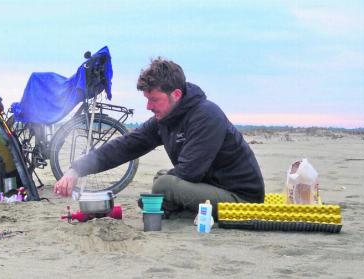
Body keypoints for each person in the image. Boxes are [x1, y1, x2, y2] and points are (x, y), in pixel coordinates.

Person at [53, 57, 264, 217]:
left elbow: (189, 173)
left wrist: (159, 193)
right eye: (147, 99)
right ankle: (172, 205)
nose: (148, 106)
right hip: (212, 186)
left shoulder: (206, 116)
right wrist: (76, 169)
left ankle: (170, 205)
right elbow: (125, 146)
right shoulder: (167, 118)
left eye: (154, 99)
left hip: (241, 199)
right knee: (162, 178)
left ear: (177, 95)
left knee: (164, 184)